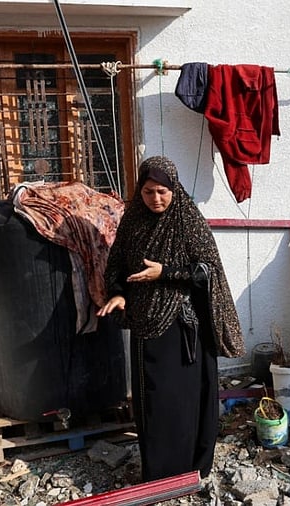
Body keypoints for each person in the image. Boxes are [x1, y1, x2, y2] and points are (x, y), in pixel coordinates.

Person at [98, 156, 245, 482]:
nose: (156, 199)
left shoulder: (187, 220)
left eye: (163, 191)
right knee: (153, 402)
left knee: (182, 401)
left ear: (174, 189)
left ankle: (190, 470)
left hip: (183, 328)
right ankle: (160, 475)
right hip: (144, 326)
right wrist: (118, 292)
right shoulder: (133, 221)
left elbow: (208, 270)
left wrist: (164, 273)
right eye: (149, 191)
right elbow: (116, 265)